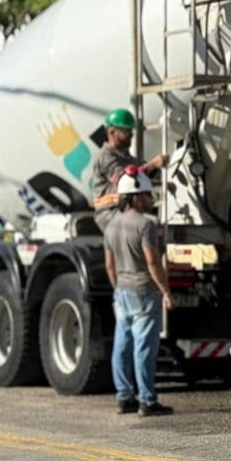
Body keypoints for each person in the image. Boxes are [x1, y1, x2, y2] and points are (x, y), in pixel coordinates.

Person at [103, 168, 173, 417]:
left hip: (122, 292)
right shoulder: (146, 225)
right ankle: (147, 400)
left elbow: (109, 265)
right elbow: (152, 262)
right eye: (147, 195)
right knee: (144, 349)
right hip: (144, 291)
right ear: (136, 198)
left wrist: (118, 287)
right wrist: (166, 291)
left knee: (122, 346)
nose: (151, 199)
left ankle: (124, 397)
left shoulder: (111, 225)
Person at [93, 109, 166, 231]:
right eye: (126, 131)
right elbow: (126, 180)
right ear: (112, 132)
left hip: (125, 210)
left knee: (154, 226)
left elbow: (141, 179)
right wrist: (152, 165)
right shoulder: (106, 157)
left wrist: (164, 182)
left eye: (131, 131)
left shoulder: (128, 158)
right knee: (148, 225)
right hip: (110, 212)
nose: (131, 135)